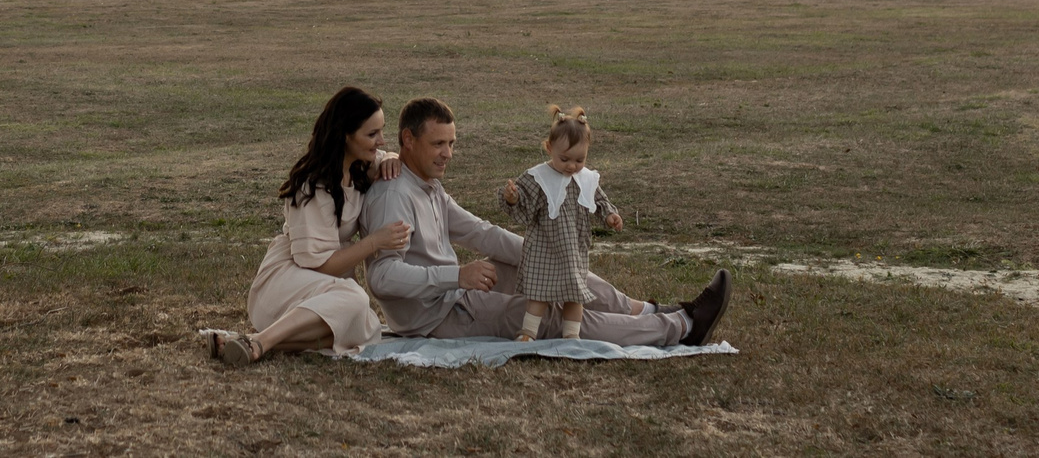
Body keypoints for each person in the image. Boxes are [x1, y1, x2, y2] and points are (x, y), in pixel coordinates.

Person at [361, 95, 728, 346]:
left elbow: (478, 232)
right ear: (407, 140)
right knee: (548, 317)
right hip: (436, 316)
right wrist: (456, 276)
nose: (448, 154)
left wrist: (539, 254)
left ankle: (648, 310)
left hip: (452, 293)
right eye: (438, 144)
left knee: (553, 267)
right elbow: (382, 278)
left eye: (452, 143)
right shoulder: (394, 195)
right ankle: (681, 327)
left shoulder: (425, 185)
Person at [208, 85, 412, 365]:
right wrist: (375, 242)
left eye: (381, 131)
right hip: (286, 282)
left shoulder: (358, 166)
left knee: (366, 327)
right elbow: (318, 264)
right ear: (345, 135)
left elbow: (388, 157)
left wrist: (390, 158)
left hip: (322, 290)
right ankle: (261, 340)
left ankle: (249, 341)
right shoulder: (312, 188)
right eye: (372, 134)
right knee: (354, 298)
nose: (381, 140)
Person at [499, 104, 620, 341]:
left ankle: (571, 335)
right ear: (549, 148)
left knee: (575, 294)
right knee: (539, 294)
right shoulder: (538, 177)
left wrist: (609, 215)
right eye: (564, 159)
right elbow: (523, 200)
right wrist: (513, 198)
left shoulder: (585, 178)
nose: (572, 166)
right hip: (545, 246)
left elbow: (598, 199)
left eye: (579, 159)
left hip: (573, 248)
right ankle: (528, 332)